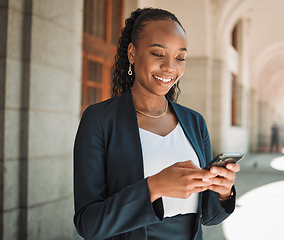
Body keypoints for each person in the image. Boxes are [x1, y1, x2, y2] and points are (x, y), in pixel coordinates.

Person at [73, 8, 240, 240]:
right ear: (132, 53)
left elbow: (209, 217)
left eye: (180, 57)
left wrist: (223, 192)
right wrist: (154, 187)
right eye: (158, 54)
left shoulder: (194, 122)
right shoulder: (99, 120)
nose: (170, 67)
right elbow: (88, 223)